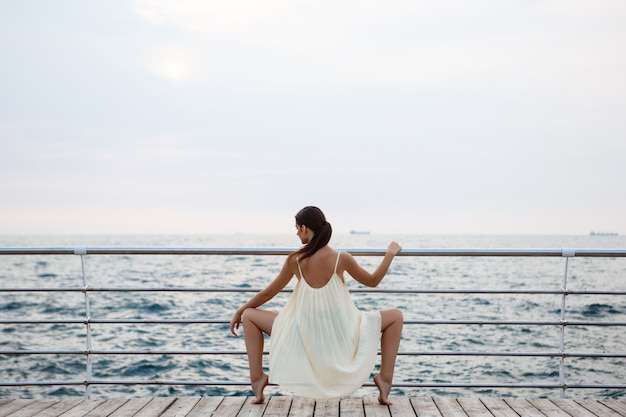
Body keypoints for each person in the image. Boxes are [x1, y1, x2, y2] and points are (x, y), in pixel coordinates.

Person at [230, 206, 403, 405]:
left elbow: (268, 293)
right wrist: (390, 253)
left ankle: (258, 380)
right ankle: (385, 379)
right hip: (342, 335)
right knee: (396, 317)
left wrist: (240, 311)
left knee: (250, 316)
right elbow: (373, 281)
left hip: (303, 335)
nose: (296, 233)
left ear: (304, 228)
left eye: (296, 228)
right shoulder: (341, 258)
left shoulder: (295, 260)